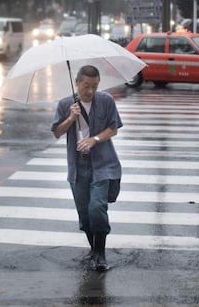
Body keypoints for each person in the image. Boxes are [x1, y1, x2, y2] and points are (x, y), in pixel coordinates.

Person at [51, 65, 122, 271]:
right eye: (86, 86)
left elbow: (113, 128)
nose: (90, 91)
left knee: (97, 207)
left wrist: (94, 139)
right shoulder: (66, 104)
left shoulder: (106, 101)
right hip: (78, 166)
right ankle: (94, 250)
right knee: (84, 214)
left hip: (103, 164)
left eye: (94, 86)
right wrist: (71, 119)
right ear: (77, 82)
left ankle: (100, 254)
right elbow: (56, 132)